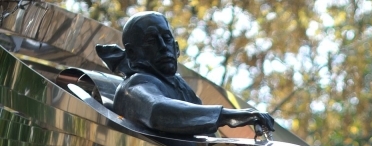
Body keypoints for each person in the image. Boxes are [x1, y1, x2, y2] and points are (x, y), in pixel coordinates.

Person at [96, 12, 274, 137]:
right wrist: (229, 116)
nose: (163, 46)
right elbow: (158, 110)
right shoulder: (135, 85)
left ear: (176, 47)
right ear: (133, 54)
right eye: (151, 41)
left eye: (166, 39)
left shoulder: (179, 87)